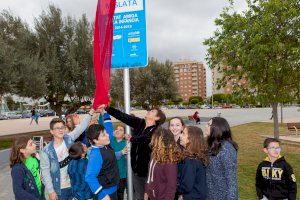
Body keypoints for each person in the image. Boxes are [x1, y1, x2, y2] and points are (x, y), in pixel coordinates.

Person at [102, 105, 166, 200]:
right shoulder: (140, 123)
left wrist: (132, 138)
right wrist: (107, 108)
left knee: (149, 196)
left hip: (148, 172)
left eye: (152, 111)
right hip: (135, 170)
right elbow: (123, 116)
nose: (149, 111)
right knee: (139, 195)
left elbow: (146, 139)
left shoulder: (157, 130)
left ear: (157, 118)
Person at [39, 108, 95, 200]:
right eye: (57, 128)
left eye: (62, 127)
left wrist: (91, 112)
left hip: (73, 185)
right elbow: (45, 173)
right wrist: (51, 191)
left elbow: (81, 128)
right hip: (60, 189)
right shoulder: (46, 151)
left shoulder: (68, 138)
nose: (61, 130)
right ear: (51, 131)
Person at [85, 111, 120, 200]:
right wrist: (102, 195)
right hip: (105, 193)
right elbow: (89, 177)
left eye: (106, 133)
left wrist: (104, 113)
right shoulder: (96, 155)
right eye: (104, 135)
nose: (108, 135)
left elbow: (109, 128)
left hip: (113, 189)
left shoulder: (105, 143)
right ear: (95, 140)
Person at [205, 117, 238, 200]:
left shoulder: (226, 148)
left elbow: (231, 179)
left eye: (209, 125)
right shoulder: (211, 146)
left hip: (222, 196)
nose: (206, 126)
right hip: (210, 194)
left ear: (217, 128)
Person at [145, 128, 182, 200]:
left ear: (160, 140)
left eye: (154, 137)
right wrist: (146, 191)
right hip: (151, 196)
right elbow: (149, 175)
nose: (152, 140)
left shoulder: (169, 161)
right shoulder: (154, 155)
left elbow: (171, 186)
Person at [177, 126, 208, 200]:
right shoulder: (197, 155)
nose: (180, 135)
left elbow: (186, 185)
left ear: (191, 138)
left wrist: (173, 188)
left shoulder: (191, 160)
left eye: (183, 134)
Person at [110, 125, 128, 200]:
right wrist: (121, 152)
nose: (117, 131)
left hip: (121, 174)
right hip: (111, 174)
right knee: (112, 194)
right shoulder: (110, 141)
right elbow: (110, 156)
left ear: (124, 134)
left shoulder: (126, 143)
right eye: (116, 129)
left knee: (120, 194)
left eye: (120, 130)